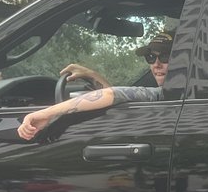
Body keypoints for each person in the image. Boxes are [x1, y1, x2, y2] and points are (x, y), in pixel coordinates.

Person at [18, 31, 174, 140]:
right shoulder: (175, 92)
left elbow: (113, 95)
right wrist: (91, 75)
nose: (156, 64)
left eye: (165, 57)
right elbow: (118, 97)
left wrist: (46, 114)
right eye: (151, 57)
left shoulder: (168, 92)